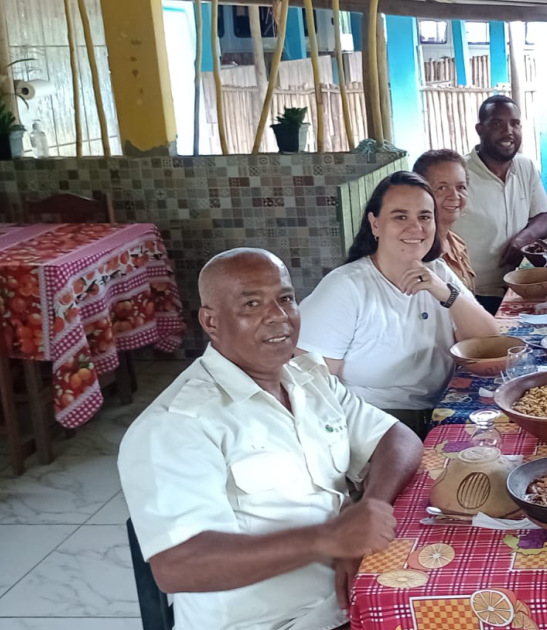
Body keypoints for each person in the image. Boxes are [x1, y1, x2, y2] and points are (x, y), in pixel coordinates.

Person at [119, 248, 424, 630]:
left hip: (353, 600)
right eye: (251, 304)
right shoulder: (175, 425)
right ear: (211, 322)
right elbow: (178, 566)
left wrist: (365, 516)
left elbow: (398, 439)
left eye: (285, 299)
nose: (278, 317)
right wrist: (328, 539)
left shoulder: (307, 379)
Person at [298, 172, 500, 432]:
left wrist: (445, 293)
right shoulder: (345, 287)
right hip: (373, 424)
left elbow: (491, 344)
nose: (415, 228)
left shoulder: (437, 272)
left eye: (425, 217)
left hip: (439, 410)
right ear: (375, 224)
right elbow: (312, 385)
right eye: (400, 216)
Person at [457, 95, 547, 313]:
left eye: (515, 123)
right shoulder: (458, 174)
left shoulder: (525, 166)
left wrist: (523, 239)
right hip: (472, 295)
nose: (509, 131)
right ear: (480, 130)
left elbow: (544, 216)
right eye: (497, 123)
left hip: (521, 286)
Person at [413, 149, 475, 291]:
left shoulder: (457, 243)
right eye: (442, 188)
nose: (454, 196)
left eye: (461, 187)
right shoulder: (418, 254)